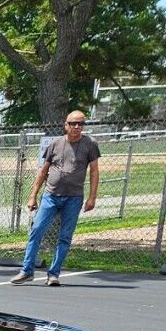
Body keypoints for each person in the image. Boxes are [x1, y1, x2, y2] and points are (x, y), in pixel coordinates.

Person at [11, 111, 101, 286]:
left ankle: (53, 274)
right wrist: (33, 196)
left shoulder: (89, 144)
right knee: (36, 230)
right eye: (73, 123)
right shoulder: (55, 144)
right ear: (65, 125)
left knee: (65, 236)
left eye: (80, 124)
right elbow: (43, 171)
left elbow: (95, 171)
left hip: (73, 198)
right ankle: (27, 271)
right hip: (50, 196)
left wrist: (92, 197)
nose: (76, 127)